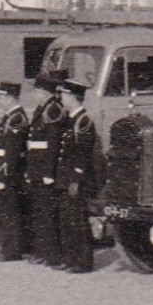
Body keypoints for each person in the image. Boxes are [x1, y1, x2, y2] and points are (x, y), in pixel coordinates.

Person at [55, 77, 98, 274]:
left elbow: (83, 154)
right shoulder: (70, 121)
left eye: (64, 95)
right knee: (66, 221)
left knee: (78, 221)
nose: (61, 98)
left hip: (75, 180)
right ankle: (70, 258)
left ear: (73, 97)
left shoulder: (83, 122)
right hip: (65, 179)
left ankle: (82, 261)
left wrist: (76, 180)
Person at [25, 70, 68, 266]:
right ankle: (43, 252)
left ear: (44, 91)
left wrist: (49, 172)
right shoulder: (41, 109)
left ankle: (54, 255)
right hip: (36, 168)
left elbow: (53, 144)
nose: (34, 95)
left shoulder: (53, 110)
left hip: (45, 169)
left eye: (36, 91)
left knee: (49, 214)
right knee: (40, 212)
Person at [0, 80, 30, 262]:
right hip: (0, 170)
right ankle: (8, 247)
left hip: (8, 173)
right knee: (4, 211)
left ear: (10, 97)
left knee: (9, 213)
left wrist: (3, 174)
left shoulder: (17, 118)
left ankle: (12, 250)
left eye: (2, 96)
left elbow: (12, 151)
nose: (0, 99)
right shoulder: (9, 117)